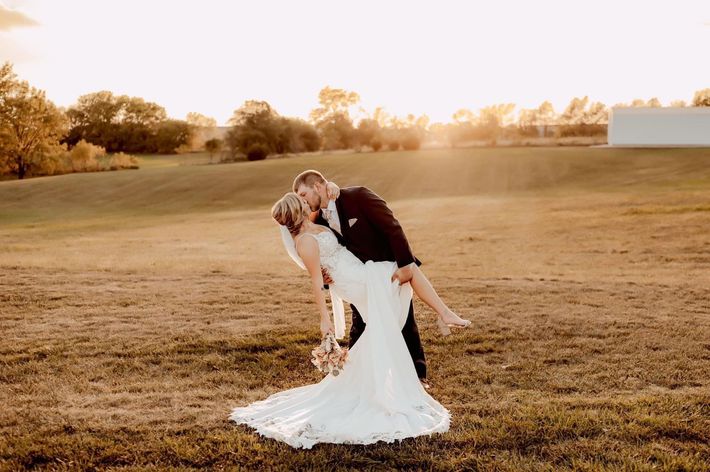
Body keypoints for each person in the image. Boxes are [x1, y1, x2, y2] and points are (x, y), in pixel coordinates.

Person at [229, 190, 470, 448]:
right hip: (355, 281)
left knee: (386, 316)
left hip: (360, 271)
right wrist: (325, 320)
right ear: (296, 212)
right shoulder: (305, 241)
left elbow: (329, 206)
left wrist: (330, 186)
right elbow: (316, 282)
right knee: (406, 270)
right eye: (301, 201)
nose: (305, 202)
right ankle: (443, 313)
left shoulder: (314, 225)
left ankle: (382, 379)